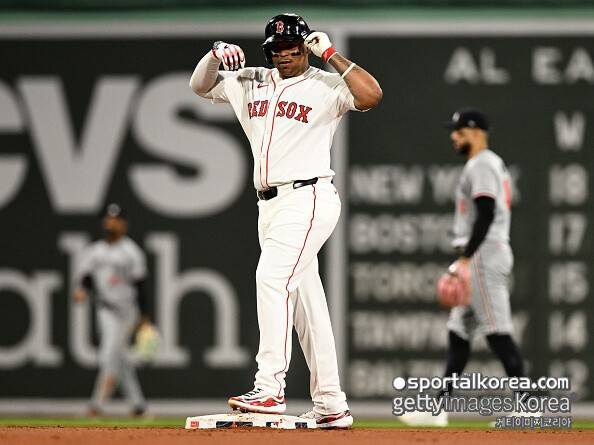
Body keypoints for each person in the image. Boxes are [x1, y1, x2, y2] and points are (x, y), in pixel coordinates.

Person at [189, 13, 382, 428]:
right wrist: (213, 55)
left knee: (271, 279)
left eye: (292, 47)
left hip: (307, 197)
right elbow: (200, 86)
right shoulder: (250, 81)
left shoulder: (326, 84)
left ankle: (270, 386)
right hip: (270, 206)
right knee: (307, 306)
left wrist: (331, 54)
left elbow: (371, 96)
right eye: (277, 49)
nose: (284, 54)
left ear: (304, 46)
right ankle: (331, 402)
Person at [399, 108, 528, 427]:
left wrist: (467, 258)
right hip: (482, 253)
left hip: (484, 255)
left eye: (459, 131)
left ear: (477, 132)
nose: (454, 137)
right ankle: (437, 409)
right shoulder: (486, 163)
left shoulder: (482, 163)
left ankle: (528, 407)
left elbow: (486, 211)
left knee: (497, 331)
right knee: (459, 332)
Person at [72, 203, 151, 417]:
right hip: (106, 310)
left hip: (127, 311)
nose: (111, 223)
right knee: (118, 356)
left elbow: (141, 286)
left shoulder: (131, 252)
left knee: (109, 355)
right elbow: (87, 277)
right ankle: (138, 405)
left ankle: (97, 405)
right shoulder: (95, 251)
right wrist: (82, 289)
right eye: (108, 219)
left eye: (115, 220)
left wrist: (144, 316)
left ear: (124, 224)